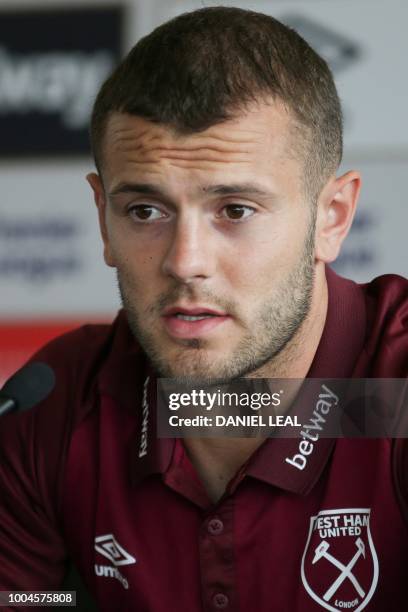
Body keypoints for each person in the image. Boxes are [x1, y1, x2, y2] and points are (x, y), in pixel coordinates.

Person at [0, 6, 407, 611]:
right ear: (103, 220)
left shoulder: (393, 397)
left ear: (333, 217)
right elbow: (32, 604)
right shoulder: (55, 408)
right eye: (146, 211)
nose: (186, 261)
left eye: (235, 210)